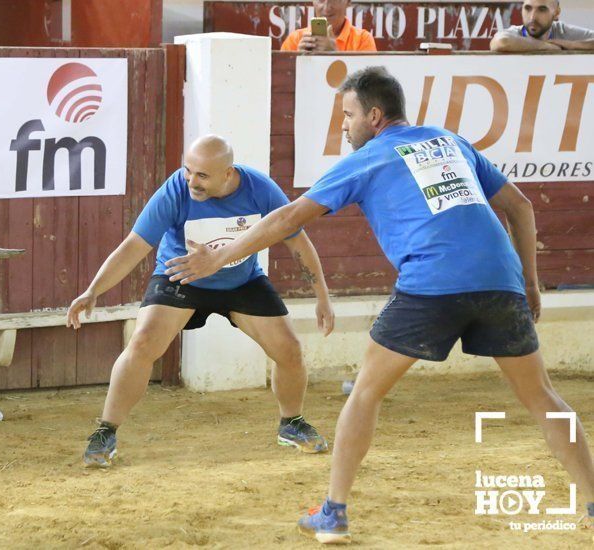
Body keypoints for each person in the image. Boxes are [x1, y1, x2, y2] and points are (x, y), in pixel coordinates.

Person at [164, 68, 594, 544]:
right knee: (544, 398)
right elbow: (521, 208)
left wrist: (219, 257)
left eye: (347, 115)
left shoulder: (368, 157)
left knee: (364, 393)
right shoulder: (450, 142)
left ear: (373, 115)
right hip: (501, 281)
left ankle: (334, 513)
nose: (344, 126)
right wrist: (530, 284)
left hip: (431, 283)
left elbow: (286, 218)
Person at [66, 135, 335, 468]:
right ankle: (106, 431)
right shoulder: (175, 190)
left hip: (241, 280)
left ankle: (291, 424)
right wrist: (93, 290)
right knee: (143, 341)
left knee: (290, 349)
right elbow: (134, 246)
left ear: (227, 173)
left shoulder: (261, 190)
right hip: (182, 275)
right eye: (188, 170)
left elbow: (299, 244)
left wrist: (322, 297)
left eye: (202, 176)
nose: (192, 181)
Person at [490, 0, 594, 52]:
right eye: (528, 8)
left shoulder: (562, 30)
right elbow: (502, 42)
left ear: (556, 13)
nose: (532, 17)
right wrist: (547, 46)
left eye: (542, 10)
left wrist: (572, 45)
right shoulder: (516, 32)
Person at [281, 0, 376, 53]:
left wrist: (334, 55)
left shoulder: (363, 39)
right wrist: (296, 60)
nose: (326, 8)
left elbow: (368, 85)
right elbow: (282, 81)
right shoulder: (295, 39)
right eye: (321, 0)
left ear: (348, 2)